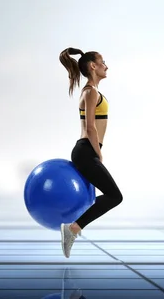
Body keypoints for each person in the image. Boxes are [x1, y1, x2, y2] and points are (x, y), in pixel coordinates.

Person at [58, 47, 123, 258]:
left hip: (87, 151)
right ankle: (73, 228)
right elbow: (90, 127)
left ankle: (74, 227)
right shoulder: (90, 91)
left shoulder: (92, 91)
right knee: (115, 196)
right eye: (103, 61)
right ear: (93, 66)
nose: (106, 65)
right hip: (86, 151)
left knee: (113, 196)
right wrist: (99, 153)